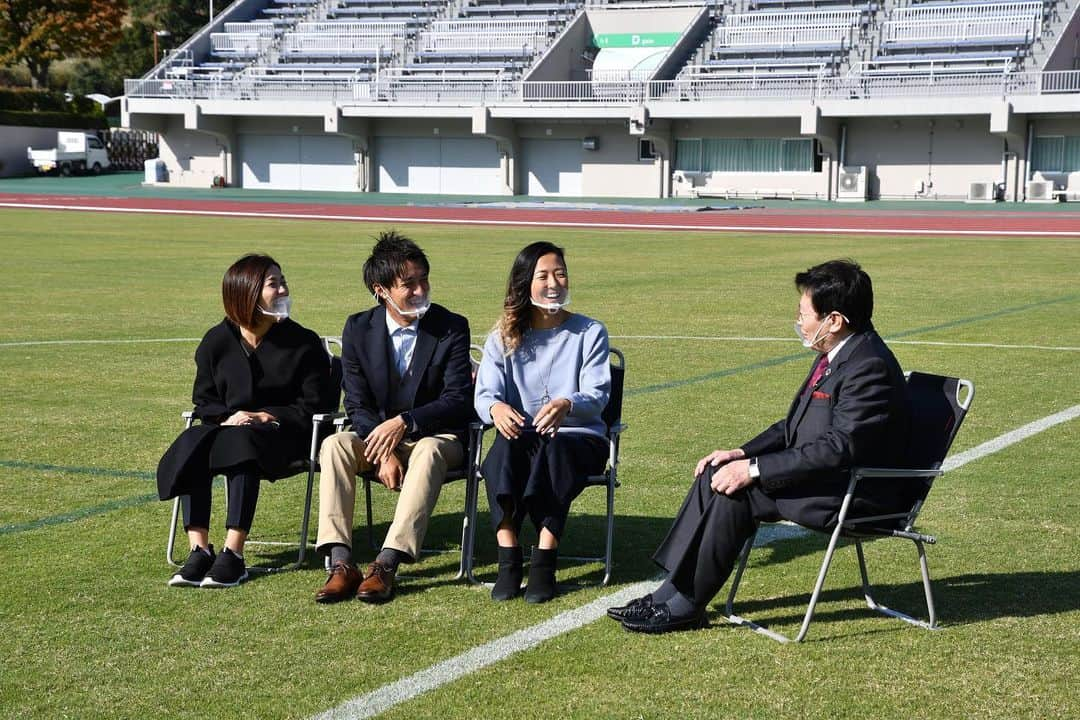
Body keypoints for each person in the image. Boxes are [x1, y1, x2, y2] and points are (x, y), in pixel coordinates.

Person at [612, 259, 913, 633]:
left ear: (833, 320)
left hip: (855, 494)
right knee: (716, 473)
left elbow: (839, 447)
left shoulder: (869, 366)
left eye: (804, 313)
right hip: (828, 480)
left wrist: (753, 470)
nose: (799, 322)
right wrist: (740, 454)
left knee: (739, 492)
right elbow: (792, 426)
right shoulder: (840, 355)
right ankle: (668, 592)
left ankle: (688, 605)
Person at [314, 231, 473, 604]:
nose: (420, 290)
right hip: (377, 440)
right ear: (380, 290)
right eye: (408, 284)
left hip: (438, 437)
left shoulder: (451, 326)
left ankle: (386, 564)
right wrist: (382, 451)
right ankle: (340, 563)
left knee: (429, 450)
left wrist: (406, 421)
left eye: (424, 280)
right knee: (335, 444)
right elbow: (355, 402)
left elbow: (458, 399)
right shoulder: (357, 328)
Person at [158, 254, 332, 588]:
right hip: (228, 430)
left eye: (283, 282)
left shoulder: (303, 342)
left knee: (239, 442)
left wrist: (268, 415)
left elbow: (315, 405)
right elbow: (205, 400)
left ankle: (234, 554)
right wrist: (228, 418)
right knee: (196, 440)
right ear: (247, 293)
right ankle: (200, 550)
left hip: (286, 436)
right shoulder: (216, 341)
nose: (283, 290)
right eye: (273, 284)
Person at [474, 241, 611, 603]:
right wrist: (495, 409)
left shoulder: (590, 332)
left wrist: (568, 403)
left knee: (555, 451)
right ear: (524, 284)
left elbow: (598, 393)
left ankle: (544, 560)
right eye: (543, 275)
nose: (554, 283)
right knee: (501, 453)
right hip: (524, 436)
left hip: (578, 437)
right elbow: (485, 393)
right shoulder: (502, 336)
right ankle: (509, 558)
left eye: (560, 273)